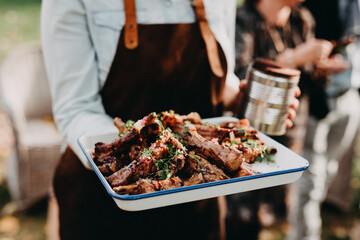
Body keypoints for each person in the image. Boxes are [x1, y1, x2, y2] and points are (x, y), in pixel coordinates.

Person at [41, 1, 299, 239]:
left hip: (198, 202)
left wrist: (237, 98)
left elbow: (219, 74)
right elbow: (75, 108)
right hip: (105, 205)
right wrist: (145, 155)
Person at [227, 0, 349, 239]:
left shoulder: (302, 19)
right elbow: (239, 79)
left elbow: (311, 83)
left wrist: (321, 67)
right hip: (249, 137)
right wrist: (293, 58)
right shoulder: (243, 18)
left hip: (291, 136)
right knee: (241, 219)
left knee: (275, 215)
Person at [287, 0, 360, 239]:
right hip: (317, 100)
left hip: (349, 95)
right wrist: (315, 64)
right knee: (309, 183)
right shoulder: (304, 8)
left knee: (327, 172)